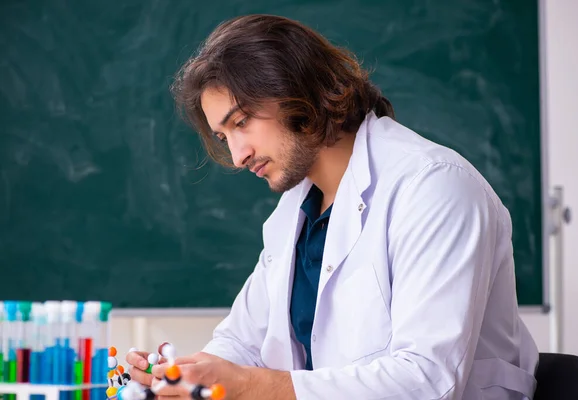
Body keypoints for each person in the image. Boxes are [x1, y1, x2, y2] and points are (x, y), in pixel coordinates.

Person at [126, 14, 539, 400]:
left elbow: (426, 381)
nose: (237, 155)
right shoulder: (294, 213)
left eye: (241, 122)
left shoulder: (434, 187)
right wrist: (182, 375)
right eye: (223, 136)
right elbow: (242, 342)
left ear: (295, 92)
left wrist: (254, 386)